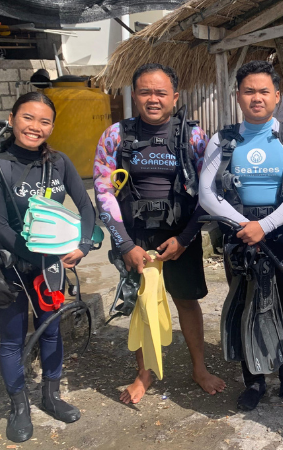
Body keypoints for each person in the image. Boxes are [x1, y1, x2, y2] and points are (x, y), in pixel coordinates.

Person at [93, 63, 226, 404]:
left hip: (180, 235)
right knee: (143, 304)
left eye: (161, 93)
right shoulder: (115, 136)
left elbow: (209, 193)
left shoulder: (194, 137)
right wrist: (124, 244)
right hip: (135, 238)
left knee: (187, 302)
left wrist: (186, 238)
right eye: (145, 92)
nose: (153, 99)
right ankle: (144, 373)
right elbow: (103, 191)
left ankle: (199, 368)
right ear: (134, 95)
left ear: (175, 97)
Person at [0, 92, 97, 442]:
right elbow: (0, 227)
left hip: (49, 264)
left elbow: (86, 208)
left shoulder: (59, 162)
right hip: (10, 264)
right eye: (28, 118)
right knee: (12, 339)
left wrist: (83, 245)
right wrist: (38, 259)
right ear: (12, 119)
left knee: (51, 329)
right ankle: (19, 407)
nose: (35, 127)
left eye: (44, 121)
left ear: (52, 127)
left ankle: (51, 396)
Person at [199, 60, 283, 412]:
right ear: (237, 96)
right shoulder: (222, 140)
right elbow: (206, 192)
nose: (257, 97)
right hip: (240, 240)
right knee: (247, 308)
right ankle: (254, 381)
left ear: (277, 96)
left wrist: (265, 226)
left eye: (264, 91)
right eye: (249, 91)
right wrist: (244, 226)